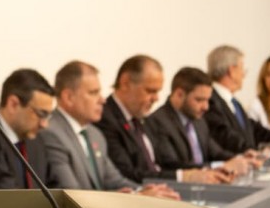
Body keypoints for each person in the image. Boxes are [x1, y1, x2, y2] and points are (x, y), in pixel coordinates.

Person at [40, 61, 180, 199]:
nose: (102, 100)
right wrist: (137, 196)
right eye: (93, 93)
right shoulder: (51, 133)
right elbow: (71, 194)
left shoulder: (95, 135)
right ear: (68, 97)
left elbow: (115, 180)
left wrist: (147, 191)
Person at [94, 55, 228, 184]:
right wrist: (182, 177)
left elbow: (165, 162)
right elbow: (127, 173)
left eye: (158, 92)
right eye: (150, 91)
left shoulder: (141, 118)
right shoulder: (105, 119)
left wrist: (202, 171)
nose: (156, 98)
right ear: (125, 83)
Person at [148, 67, 251, 176]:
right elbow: (172, 165)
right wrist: (220, 166)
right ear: (179, 94)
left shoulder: (199, 121)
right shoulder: (158, 121)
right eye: (199, 100)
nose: (206, 107)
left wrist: (242, 158)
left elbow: (216, 152)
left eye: (207, 100)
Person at [203, 45, 270, 156]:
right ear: (232, 70)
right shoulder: (210, 101)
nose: (243, 74)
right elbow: (226, 137)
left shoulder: (234, 103)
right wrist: (255, 152)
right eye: (242, 68)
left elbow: (256, 131)